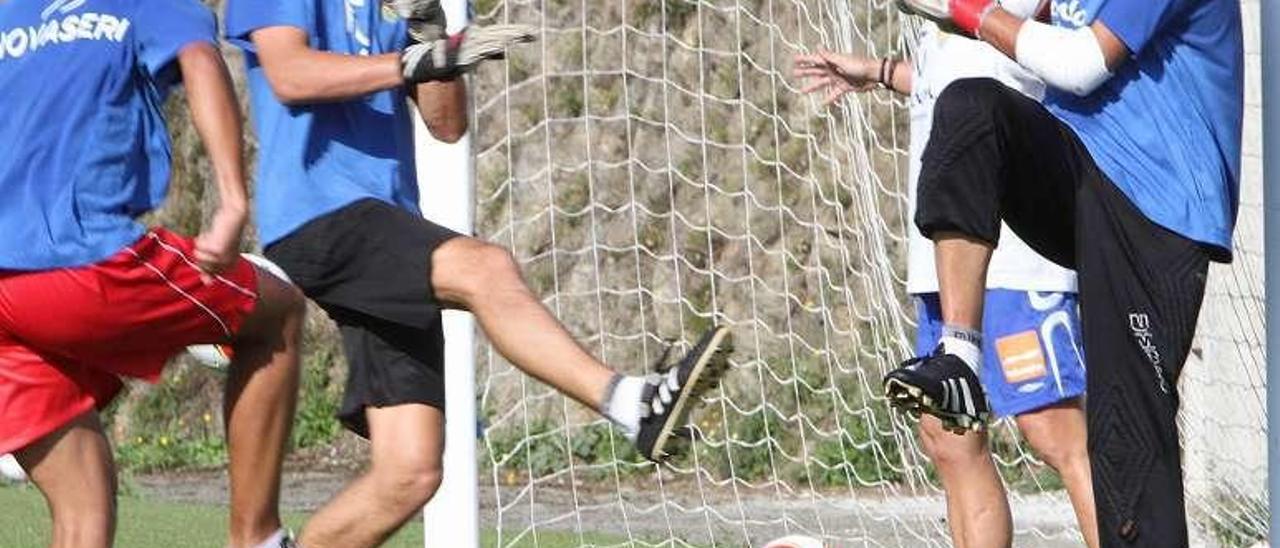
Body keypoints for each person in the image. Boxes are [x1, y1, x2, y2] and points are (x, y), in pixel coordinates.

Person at [221, 1, 734, 545]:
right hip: (316, 216)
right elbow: (290, 75)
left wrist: (432, 39)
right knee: (485, 268)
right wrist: (408, 65)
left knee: (410, 472)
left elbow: (447, 125)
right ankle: (633, 405)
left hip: (386, 221)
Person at [879, 0, 1242, 545]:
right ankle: (959, 357)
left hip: (1158, 209)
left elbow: (1080, 63)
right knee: (972, 107)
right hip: (1078, 170)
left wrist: (966, 8)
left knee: (1127, 444)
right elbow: (1020, 21)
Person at [0, 0, 306, 547]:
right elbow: (201, 60)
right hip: (82, 260)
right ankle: (257, 537)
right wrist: (233, 200)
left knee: (83, 509)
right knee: (277, 309)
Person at [793, 6, 1097, 546]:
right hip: (944, 248)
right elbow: (953, 66)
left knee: (1053, 431)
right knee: (948, 434)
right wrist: (882, 71)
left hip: (1013, 245)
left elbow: (1014, 40)